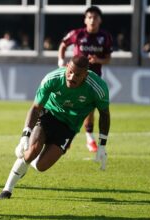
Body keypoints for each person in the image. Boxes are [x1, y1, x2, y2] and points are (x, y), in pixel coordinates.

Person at [0, 55, 110, 199]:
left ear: (86, 75)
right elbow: (36, 107)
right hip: (48, 115)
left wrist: (102, 145)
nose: (71, 77)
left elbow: (104, 115)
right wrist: (25, 136)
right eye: (70, 72)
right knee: (32, 150)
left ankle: (25, 163)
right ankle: (7, 189)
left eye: (77, 75)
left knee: (41, 166)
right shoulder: (52, 78)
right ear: (67, 66)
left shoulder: (98, 87)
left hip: (69, 126)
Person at [57, 6, 112, 153]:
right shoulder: (77, 34)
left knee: (89, 109)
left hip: (92, 79)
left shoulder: (105, 37)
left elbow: (108, 59)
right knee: (68, 106)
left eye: (95, 17)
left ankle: (89, 138)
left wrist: (98, 59)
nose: (92, 20)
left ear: (100, 20)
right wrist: (61, 61)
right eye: (90, 17)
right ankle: (66, 137)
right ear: (85, 19)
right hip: (74, 78)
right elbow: (63, 44)